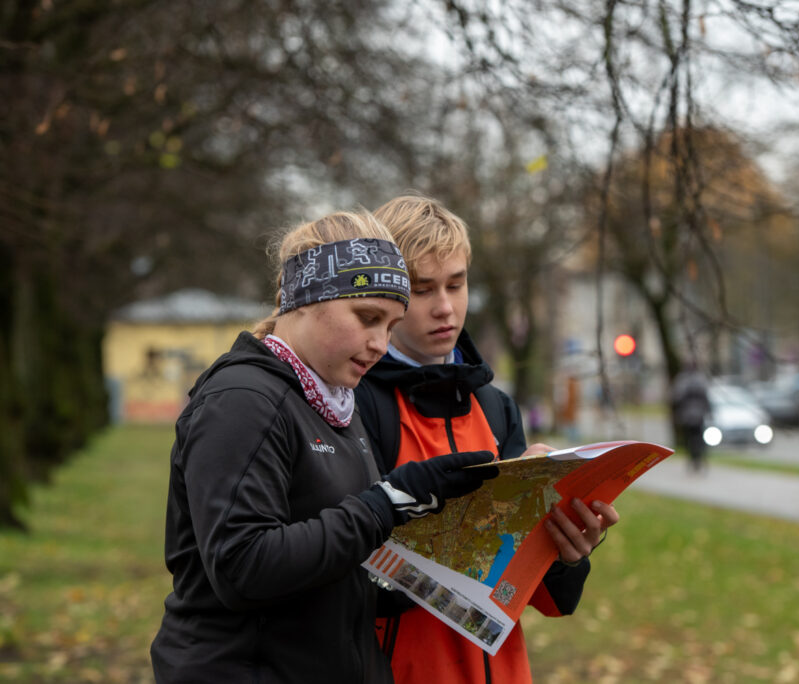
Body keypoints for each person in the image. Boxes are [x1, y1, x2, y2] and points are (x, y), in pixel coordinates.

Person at [149, 211, 499, 683]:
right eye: (368, 318)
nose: (380, 344)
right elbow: (242, 568)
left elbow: (332, 569)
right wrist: (387, 502)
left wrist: (444, 567)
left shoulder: (334, 403)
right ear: (304, 301)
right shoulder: (242, 400)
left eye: (390, 325)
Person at [355, 194, 619, 684]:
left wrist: (567, 552)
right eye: (423, 289)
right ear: (388, 292)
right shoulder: (356, 402)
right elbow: (341, 571)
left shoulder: (495, 407)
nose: (445, 307)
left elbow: (547, 597)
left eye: (456, 284)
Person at [670, 362, 711, 472]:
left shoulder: (682, 380)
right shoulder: (700, 379)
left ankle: (695, 458)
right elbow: (705, 397)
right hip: (696, 415)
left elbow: (676, 398)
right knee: (697, 438)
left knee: (691, 439)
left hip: (688, 415)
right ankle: (697, 458)